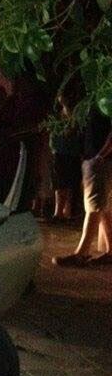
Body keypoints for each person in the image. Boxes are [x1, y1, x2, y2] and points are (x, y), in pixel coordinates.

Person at [53, 108, 112, 267]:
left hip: (99, 158)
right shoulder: (98, 101)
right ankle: (110, 251)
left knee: (94, 206)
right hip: (96, 157)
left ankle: (81, 253)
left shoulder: (103, 100)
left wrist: (100, 155)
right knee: (103, 207)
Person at [49, 96, 81, 223]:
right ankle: (58, 212)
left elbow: (74, 131)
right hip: (60, 152)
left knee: (70, 183)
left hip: (72, 153)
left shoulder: (76, 115)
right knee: (60, 183)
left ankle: (68, 212)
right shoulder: (57, 116)